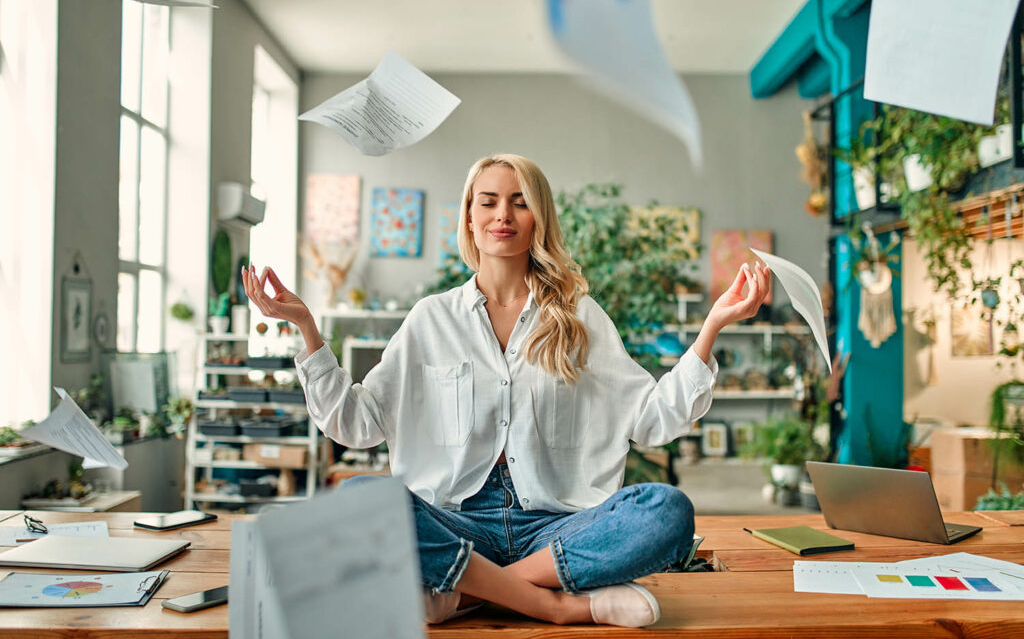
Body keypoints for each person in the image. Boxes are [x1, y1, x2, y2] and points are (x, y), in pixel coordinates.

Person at [242, 153, 770, 628]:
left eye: (520, 203)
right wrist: (307, 328)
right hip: (457, 521)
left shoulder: (579, 318)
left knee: (666, 511)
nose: (503, 215)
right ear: (469, 216)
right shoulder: (431, 319)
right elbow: (356, 425)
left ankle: (470, 593)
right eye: (489, 201)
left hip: (558, 527)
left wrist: (712, 328)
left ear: (539, 217)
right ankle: (553, 604)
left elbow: (653, 421)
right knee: (359, 498)